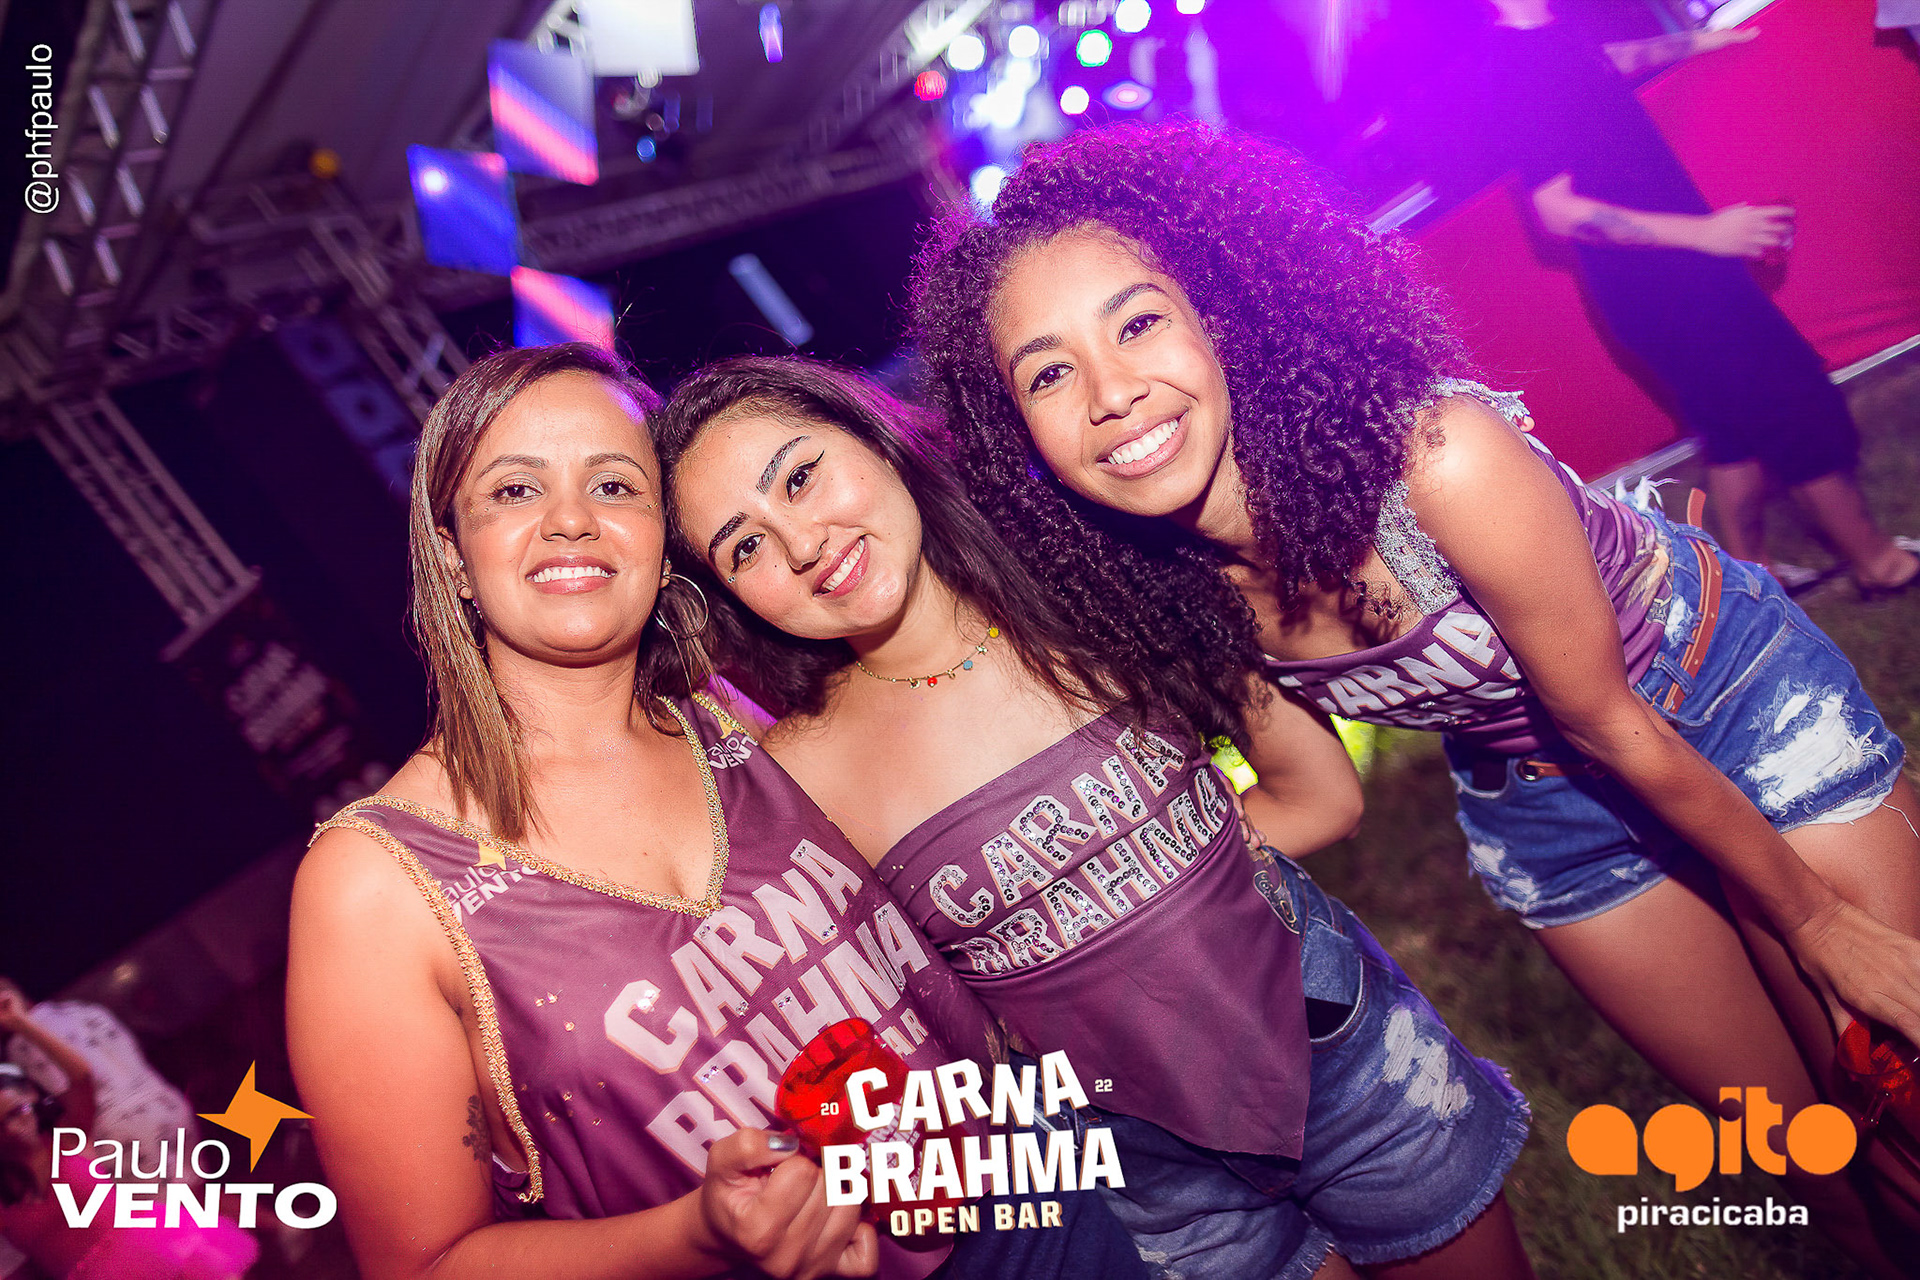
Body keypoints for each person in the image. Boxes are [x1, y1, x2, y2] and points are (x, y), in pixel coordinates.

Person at [909, 119, 1920, 1275]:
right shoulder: (1181, 591)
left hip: (1712, 699)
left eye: (1137, 321)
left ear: (1220, 313)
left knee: (1895, 1120)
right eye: (1048, 372)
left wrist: (1819, 924)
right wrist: (1089, 906)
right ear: (1021, 435)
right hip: (1543, 800)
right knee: (1808, 1161)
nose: (1112, 392)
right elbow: (1318, 796)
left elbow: (1613, 719)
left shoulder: (1435, 456)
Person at [659, 355, 1536, 1280]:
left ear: (875, 439)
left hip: (1335, 1048)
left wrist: (1180, 865)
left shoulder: (1087, 582)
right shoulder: (797, 779)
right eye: (744, 548)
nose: (801, 543)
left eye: (801, 476)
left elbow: (1320, 795)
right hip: (1145, 1165)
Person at [287, 342, 1144, 1280]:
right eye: (516, 491)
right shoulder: (376, 880)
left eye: (614, 486)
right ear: (453, 554)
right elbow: (423, 1265)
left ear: (664, 546)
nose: (571, 521)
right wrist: (694, 1235)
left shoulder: (734, 714)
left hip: (1064, 1215)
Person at [1470, 0, 1919, 598]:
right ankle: (1881, 566)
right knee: (1793, 406)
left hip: (1670, 277)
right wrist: (1707, 234)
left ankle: (1755, 582)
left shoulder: (1548, 34)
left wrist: (1699, 43)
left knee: (1733, 432)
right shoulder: (1510, 68)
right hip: (1663, 287)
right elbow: (1557, 211)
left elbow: (1605, 63)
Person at [0, 1007, 255, 1279]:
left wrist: (21, 1023)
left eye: (17, 1112)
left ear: (32, 1098)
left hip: (163, 1251)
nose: (13, 1129)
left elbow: (81, 1077)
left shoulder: (66, 1138)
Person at [0, 977, 200, 1185]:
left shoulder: (23, 1045)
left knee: (173, 1204)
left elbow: (81, 1097)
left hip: (125, 1135)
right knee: (200, 1193)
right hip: (167, 1106)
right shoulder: (83, 1009)